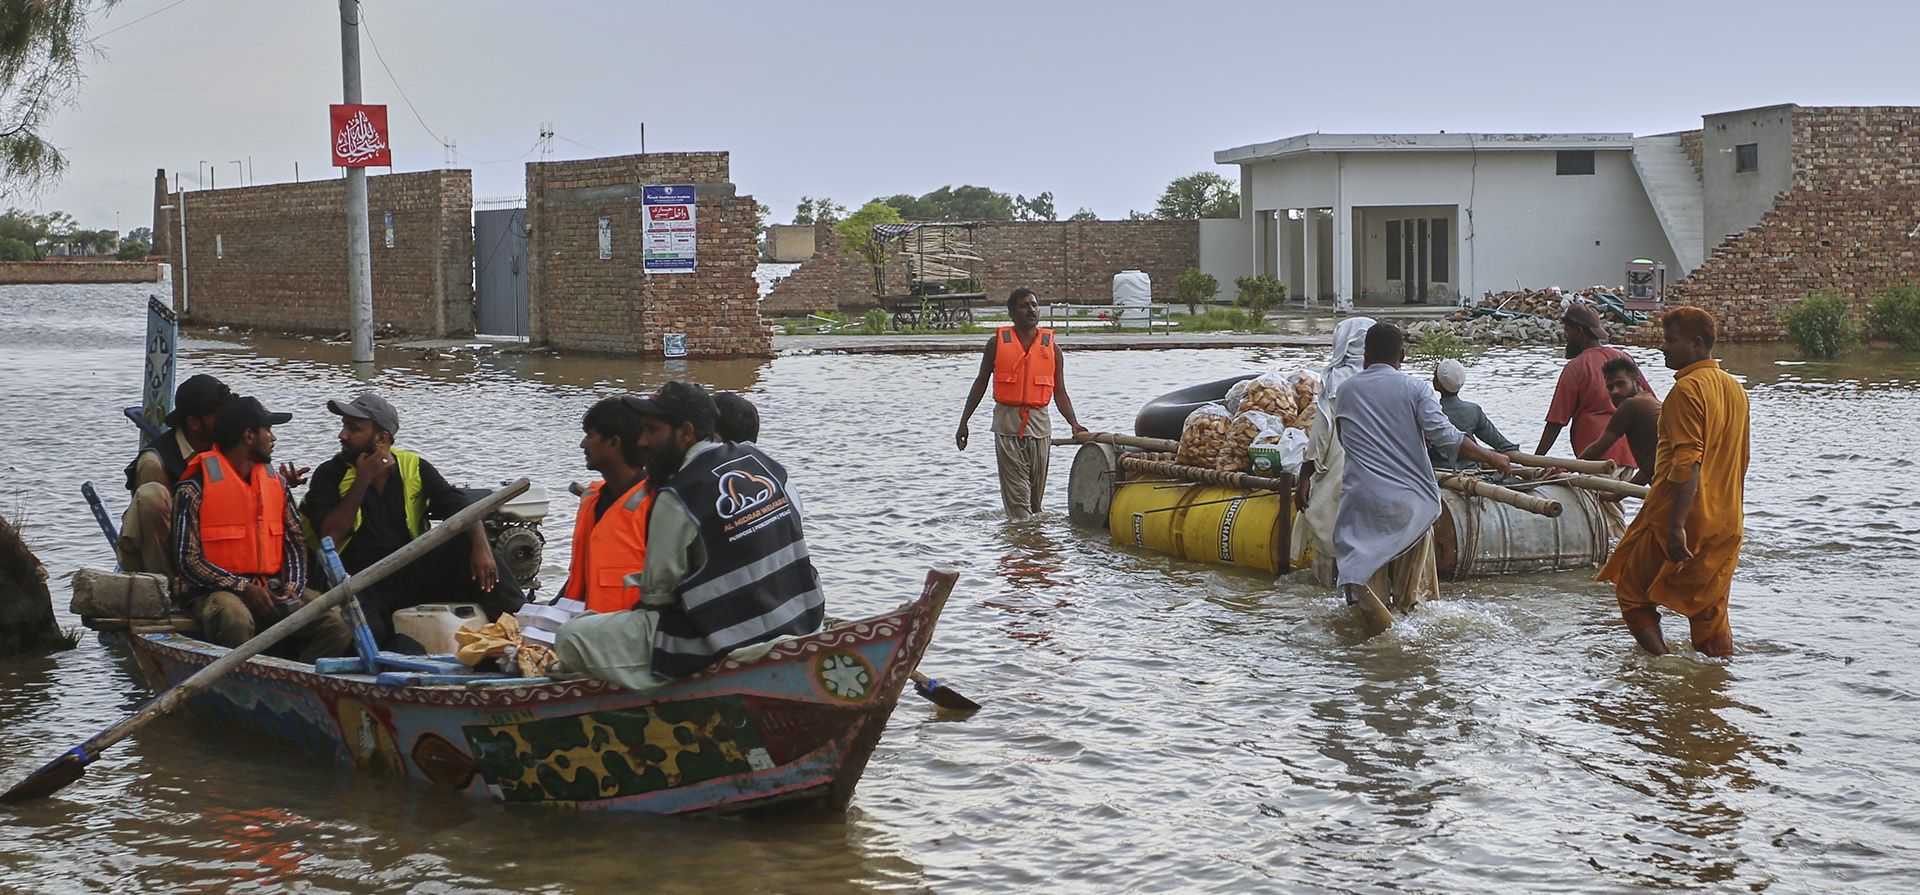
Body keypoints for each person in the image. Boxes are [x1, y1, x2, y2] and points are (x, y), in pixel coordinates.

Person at [555, 381, 824, 689]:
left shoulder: (678, 494)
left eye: (652, 430)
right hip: (806, 619)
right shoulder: (761, 461)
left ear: (685, 432)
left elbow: (657, 595)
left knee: (570, 635)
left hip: (734, 641)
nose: (641, 441)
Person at [299, 392, 524, 645]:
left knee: (466, 544)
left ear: (381, 438)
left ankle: (522, 625)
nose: (343, 435)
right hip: (358, 581)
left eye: (354, 429)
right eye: (344, 426)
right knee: (367, 637)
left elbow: (459, 506)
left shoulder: (414, 466)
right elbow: (331, 534)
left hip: (407, 574)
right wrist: (363, 479)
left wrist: (482, 549)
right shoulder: (330, 473)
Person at [1330, 324, 1513, 633]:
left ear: (1366, 355)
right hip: (1408, 507)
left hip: (1361, 505)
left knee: (1366, 601)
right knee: (1411, 609)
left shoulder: (1346, 391)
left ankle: (1365, 659)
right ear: (1402, 355)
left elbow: (1347, 440)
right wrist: (1492, 456)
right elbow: (1446, 437)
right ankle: (1406, 657)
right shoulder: (1415, 389)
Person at [1598, 308, 1749, 658]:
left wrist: (1676, 526)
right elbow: (1739, 459)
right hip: (1727, 520)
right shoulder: (1734, 389)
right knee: (1708, 612)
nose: (1662, 347)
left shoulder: (1686, 390)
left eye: (1671, 340)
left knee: (1632, 594)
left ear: (1697, 344)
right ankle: (1713, 687)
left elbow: (1686, 462)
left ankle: (1664, 668)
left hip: (1681, 517)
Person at [173, 396, 352, 661]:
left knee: (339, 623)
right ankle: (239, 683)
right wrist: (243, 587)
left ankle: (296, 682)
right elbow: (188, 561)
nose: (273, 437)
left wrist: (292, 586)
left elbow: (294, 542)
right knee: (235, 619)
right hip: (217, 592)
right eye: (268, 430)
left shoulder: (276, 484)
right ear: (248, 436)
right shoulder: (193, 489)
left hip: (274, 586)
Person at [955, 287, 1089, 519]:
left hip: (1039, 426)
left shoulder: (1052, 349)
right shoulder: (996, 344)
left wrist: (1074, 424)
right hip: (1007, 426)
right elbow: (980, 383)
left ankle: (1032, 546)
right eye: (1024, 305)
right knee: (1018, 501)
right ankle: (1020, 545)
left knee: (1035, 503)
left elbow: (1060, 393)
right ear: (1011, 314)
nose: (1031, 310)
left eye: (1034, 305)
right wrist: (964, 422)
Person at [119, 374, 233, 576]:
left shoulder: (222, 446)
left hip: (207, 549)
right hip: (165, 556)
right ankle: (167, 589)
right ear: (194, 423)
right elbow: (154, 528)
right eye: (218, 415)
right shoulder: (155, 463)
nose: (225, 421)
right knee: (151, 497)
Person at [1291, 315, 1375, 585]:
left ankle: (1332, 591)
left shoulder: (1337, 380)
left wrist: (1305, 477)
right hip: (1375, 471)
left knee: (1330, 534)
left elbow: (1321, 435)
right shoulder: (1384, 376)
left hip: (1340, 467)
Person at [557, 396, 654, 614]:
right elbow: (580, 578)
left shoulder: (656, 506)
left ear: (613, 443)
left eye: (590, 436)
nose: (583, 444)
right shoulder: (594, 501)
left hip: (628, 634)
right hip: (584, 629)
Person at [1536, 302, 1654, 465]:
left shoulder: (1576, 367)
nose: (1566, 337)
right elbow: (1650, 402)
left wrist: (1535, 460)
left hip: (1596, 460)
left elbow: (1556, 421)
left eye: (1568, 331)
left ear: (1580, 331)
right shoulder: (1624, 358)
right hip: (1631, 457)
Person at [1578, 356, 1663, 485]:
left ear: (1637, 383)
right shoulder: (1651, 401)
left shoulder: (1631, 405)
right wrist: (1618, 496)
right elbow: (1652, 465)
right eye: (1610, 387)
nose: (1615, 391)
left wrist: (1567, 468)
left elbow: (1597, 449)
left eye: (1621, 384)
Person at [1428, 358, 1519, 470]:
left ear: (1437, 384)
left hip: (1440, 472)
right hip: (1472, 470)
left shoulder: (1429, 413)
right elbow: (1502, 445)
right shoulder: (1473, 411)